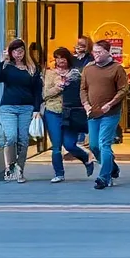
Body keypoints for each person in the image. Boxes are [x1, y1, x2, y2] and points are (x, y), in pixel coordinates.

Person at [40, 46, 93, 183]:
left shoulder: (76, 74)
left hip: (71, 113)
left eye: (62, 57)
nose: (59, 61)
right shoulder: (49, 74)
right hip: (53, 111)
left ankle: (86, 158)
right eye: (57, 58)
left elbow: (83, 91)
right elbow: (45, 94)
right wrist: (60, 87)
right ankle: (59, 173)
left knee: (69, 145)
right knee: (56, 146)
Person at [0, 38, 41, 183]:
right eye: (14, 52)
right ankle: (9, 168)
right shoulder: (6, 66)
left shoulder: (32, 68)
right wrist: (2, 61)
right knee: (11, 136)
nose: (17, 54)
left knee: (24, 140)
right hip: (8, 107)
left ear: (25, 52)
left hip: (26, 107)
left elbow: (37, 90)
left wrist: (36, 109)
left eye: (20, 51)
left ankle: (20, 170)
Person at [80, 40, 127, 190]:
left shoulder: (117, 68)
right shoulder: (88, 69)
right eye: (94, 52)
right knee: (93, 145)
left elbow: (123, 90)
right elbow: (83, 89)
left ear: (108, 52)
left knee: (104, 143)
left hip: (110, 113)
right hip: (93, 112)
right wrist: (86, 104)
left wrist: (111, 103)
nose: (96, 55)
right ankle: (112, 167)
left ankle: (103, 177)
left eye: (99, 52)